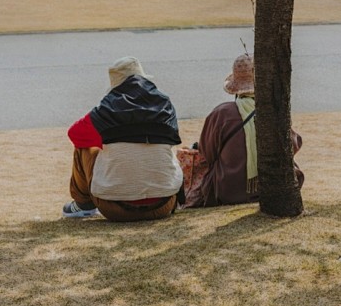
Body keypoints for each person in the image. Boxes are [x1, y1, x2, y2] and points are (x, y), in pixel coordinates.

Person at [63, 57, 184, 221]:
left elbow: (75, 134)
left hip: (115, 208)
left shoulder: (106, 109)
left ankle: (84, 205)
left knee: (84, 147)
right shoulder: (165, 104)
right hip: (165, 204)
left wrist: (105, 141)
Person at [184, 54, 304, 208]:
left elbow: (207, 153)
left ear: (235, 87)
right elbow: (293, 145)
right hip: (272, 187)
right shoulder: (272, 111)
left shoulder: (221, 114)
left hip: (227, 190)